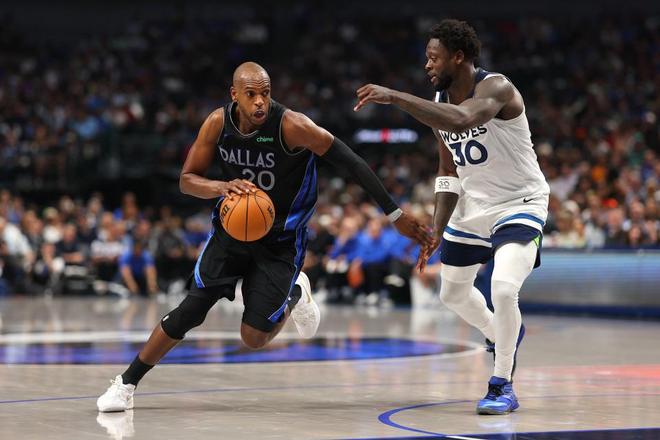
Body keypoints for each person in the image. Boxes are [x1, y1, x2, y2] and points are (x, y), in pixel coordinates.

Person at [97, 61, 431, 412]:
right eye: (251, 94)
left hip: (280, 241)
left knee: (253, 338)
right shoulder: (217, 123)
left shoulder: (292, 126)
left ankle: (295, 293)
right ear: (234, 95)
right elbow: (187, 180)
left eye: (266, 94)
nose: (260, 102)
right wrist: (221, 187)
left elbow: (352, 163)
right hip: (231, 234)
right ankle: (126, 383)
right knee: (189, 311)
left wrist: (395, 214)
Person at [354, 19, 550, 414]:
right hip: (472, 205)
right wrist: (437, 230)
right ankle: (502, 334)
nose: (427, 65)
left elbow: (463, 120)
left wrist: (395, 97)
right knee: (452, 293)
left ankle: (502, 384)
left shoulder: (496, 87)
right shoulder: (439, 102)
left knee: (503, 289)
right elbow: (448, 170)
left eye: (434, 58)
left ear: (458, 57)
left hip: (519, 202)